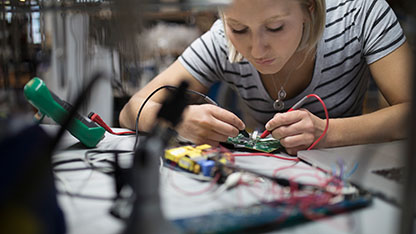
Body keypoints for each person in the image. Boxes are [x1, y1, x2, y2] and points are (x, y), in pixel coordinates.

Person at [119, 0, 412, 155]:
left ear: (309, 8)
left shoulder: (360, 14)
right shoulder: (222, 40)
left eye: (275, 28)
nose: (257, 50)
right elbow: (132, 109)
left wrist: (326, 132)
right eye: (240, 29)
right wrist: (178, 118)